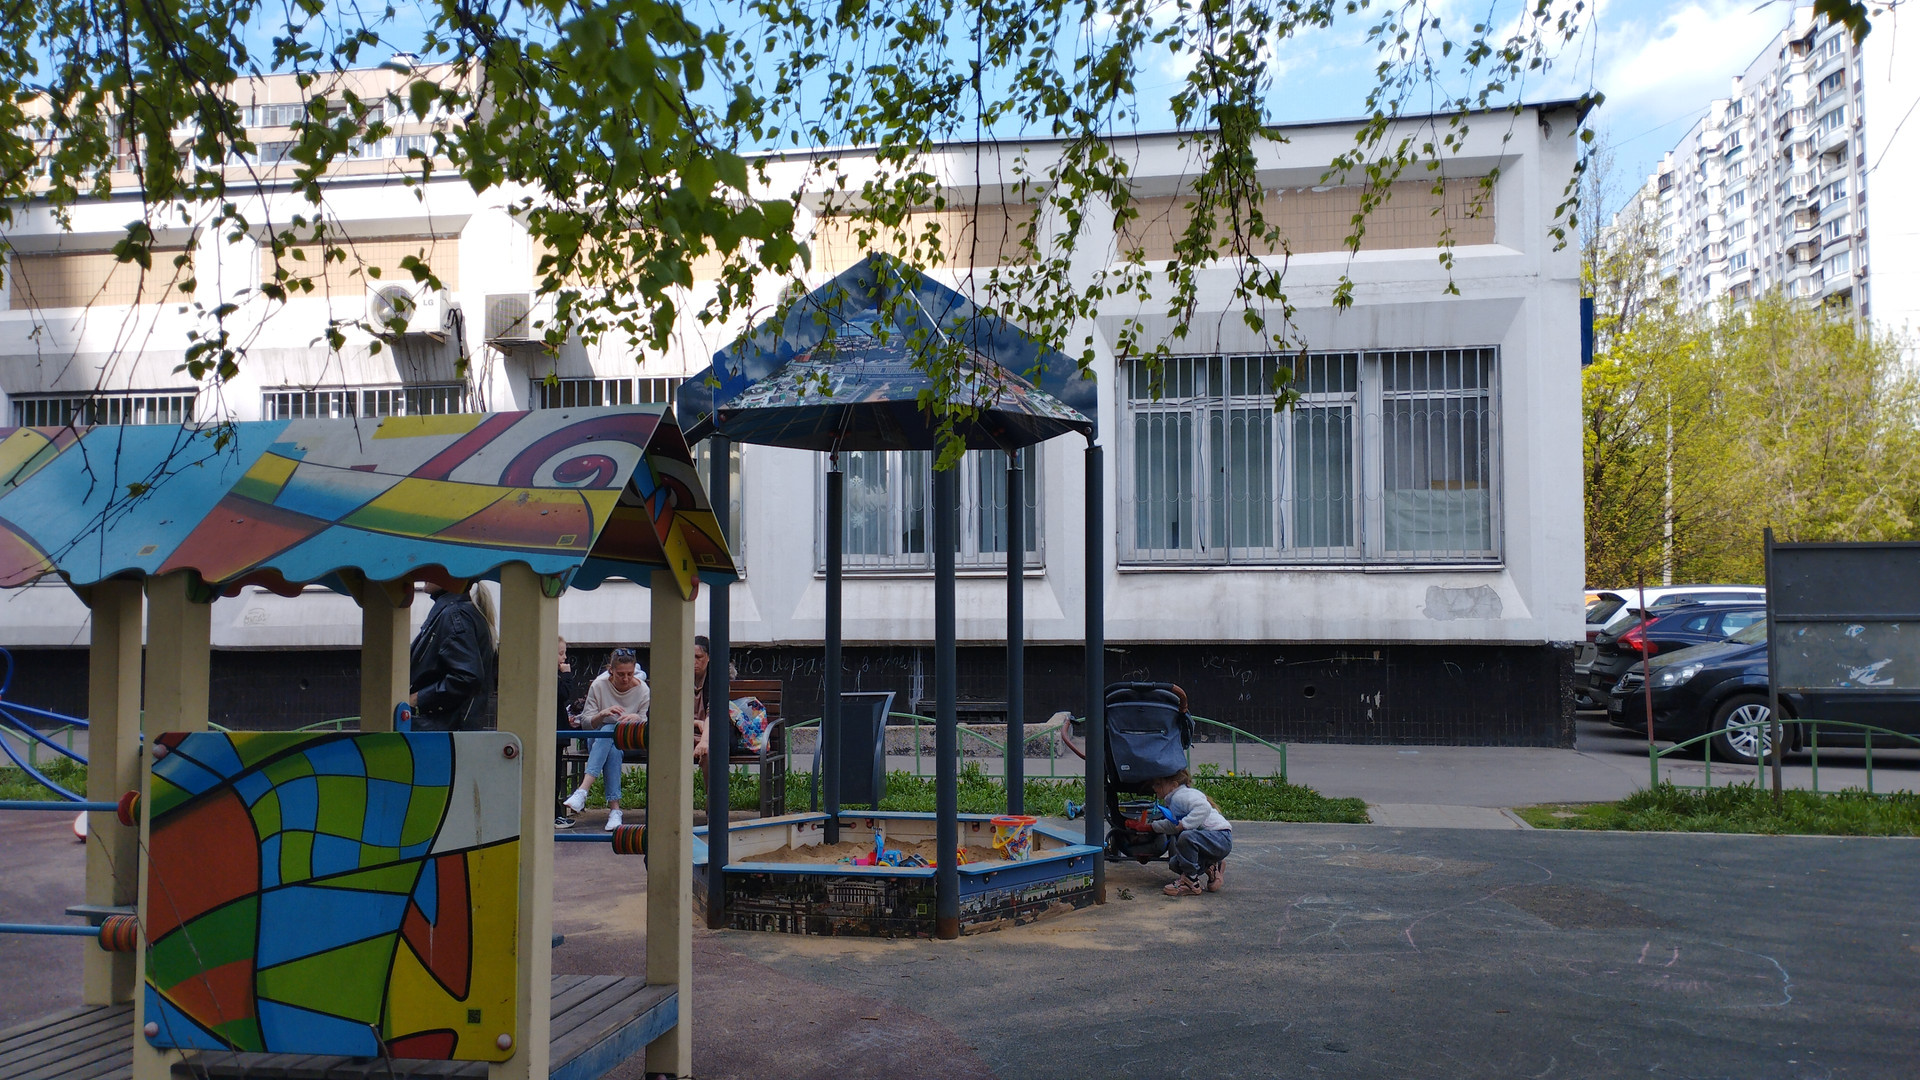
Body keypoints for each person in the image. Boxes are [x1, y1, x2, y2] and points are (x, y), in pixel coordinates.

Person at [561, 648, 650, 830]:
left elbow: (646, 724)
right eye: (620, 674)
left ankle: (583, 790)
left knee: (611, 732)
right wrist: (602, 714)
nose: (626, 679)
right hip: (599, 739)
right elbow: (586, 724)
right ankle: (615, 811)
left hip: (630, 741)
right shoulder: (599, 686)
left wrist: (637, 718)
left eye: (630, 674)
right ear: (611, 671)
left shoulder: (642, 690)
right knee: (610, 734)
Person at [408, 580, 496, 731]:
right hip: (450, 731)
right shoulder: (459, 612)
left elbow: (467, 677)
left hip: (441, 732)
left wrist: (417, 699)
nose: (424, 574)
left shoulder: (455, 614)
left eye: (433, 569)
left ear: (449, 575)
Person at [1134, 768, 1233, 897]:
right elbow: (1174, 825)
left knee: (1186, 836)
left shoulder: (1181, 796)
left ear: (1173, 785)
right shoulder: (1174, 799)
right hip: (1209, 841)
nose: (1154, 787)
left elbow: (1204, 807)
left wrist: (1186, 823)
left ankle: (1190, 882)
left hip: (1219, 837)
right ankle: (1212, 866)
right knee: (1175, 864)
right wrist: (1151, 827)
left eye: (1158, 784)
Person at [554, 636, 579, 829]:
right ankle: (555, 814)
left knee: (556, 775)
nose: (564, 658)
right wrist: (567, 675)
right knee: (553, 776)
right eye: (561, 653)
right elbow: (564, 694)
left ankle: (556, 813)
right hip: (555, 732)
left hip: (559, 730)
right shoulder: (556, 676)